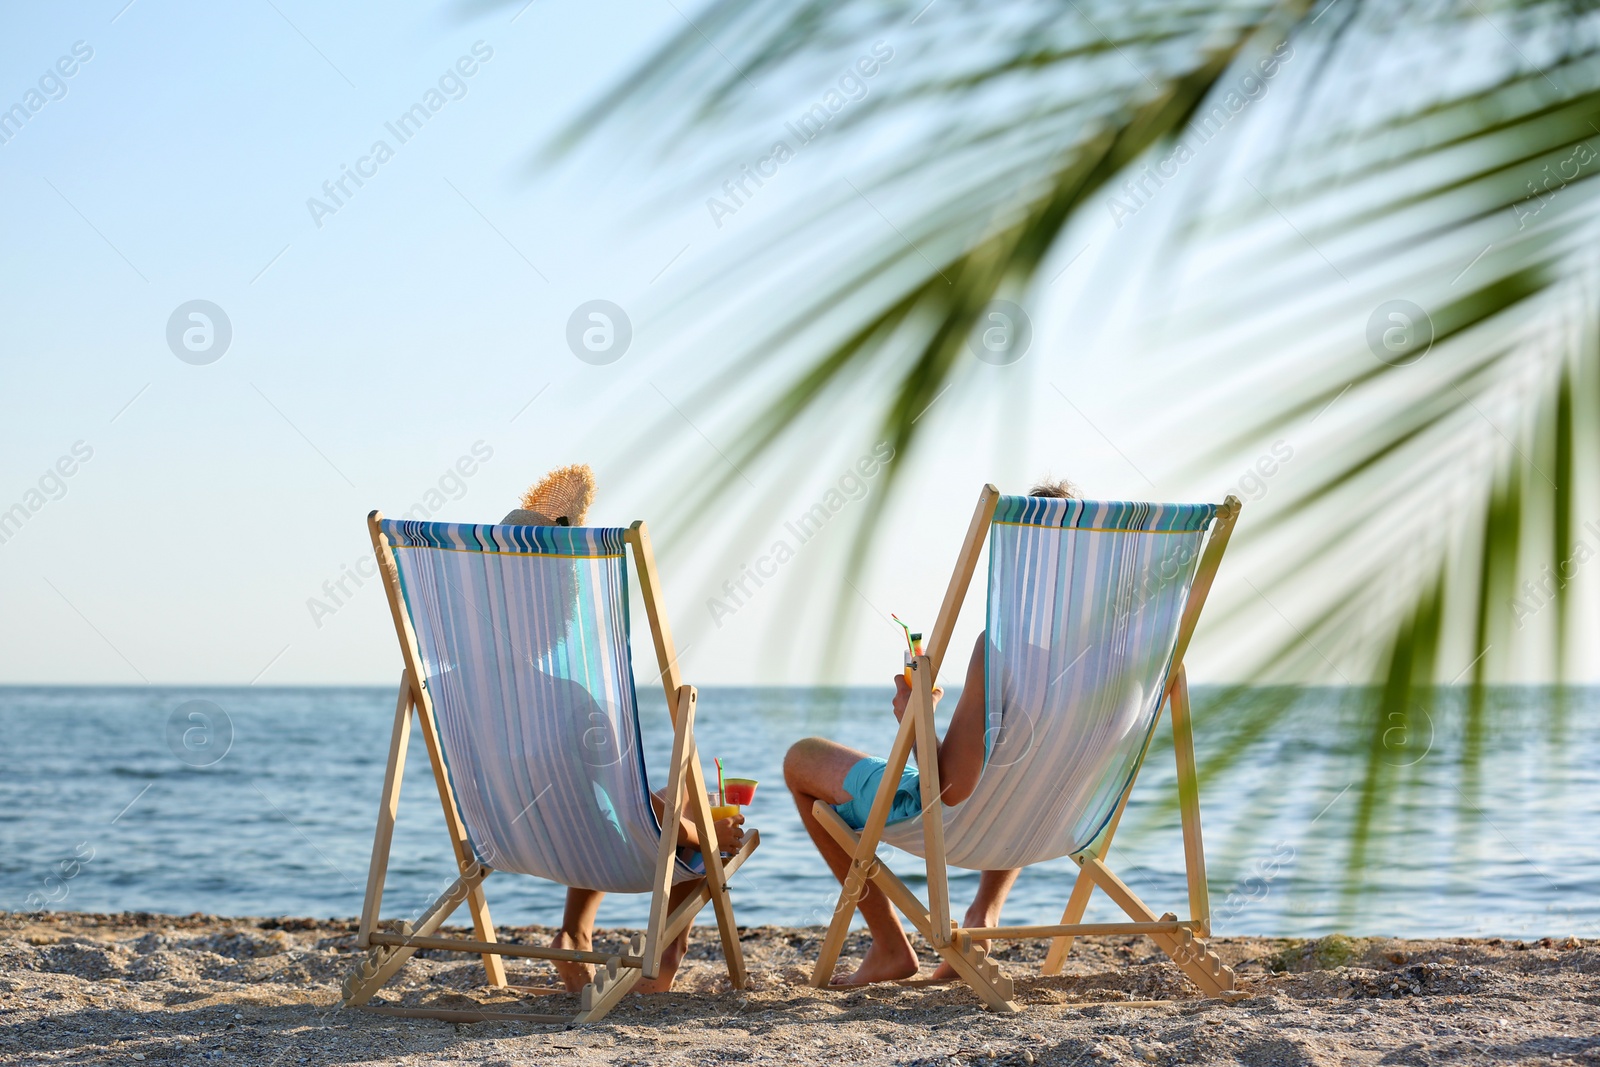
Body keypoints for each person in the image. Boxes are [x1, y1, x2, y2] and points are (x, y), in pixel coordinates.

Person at [782, 477, 1077, 985]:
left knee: (802, 759)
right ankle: (983, 914)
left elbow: (949, 790)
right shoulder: (1123, 657)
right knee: (1021, 770)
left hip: (966, 823)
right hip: (1057, 819)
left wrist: (915, 716)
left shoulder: (1002, 648)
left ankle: (890, 946)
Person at [502, 464, 746, 994]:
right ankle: (665, 956)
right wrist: (706, 831)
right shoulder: (574, 701)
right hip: (596, 848)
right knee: (695, 813)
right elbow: (633, 807)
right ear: (557, 617)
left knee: (670, 796)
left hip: (505, 839)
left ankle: (574, 932)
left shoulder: (452, 688)